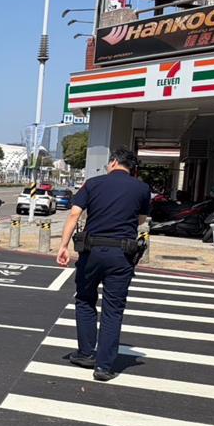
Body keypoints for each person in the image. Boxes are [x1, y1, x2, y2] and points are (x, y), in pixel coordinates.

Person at [56, 146, 151, 381]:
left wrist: (63, 245)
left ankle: (86, 353)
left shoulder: (93, 183)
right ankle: (104, 367)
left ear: (114, 162)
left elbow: (74, 215)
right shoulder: (142, 188)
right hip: (122, 255)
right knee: (113, 309)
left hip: (92, 252)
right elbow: (140, 220)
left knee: (85, 299)